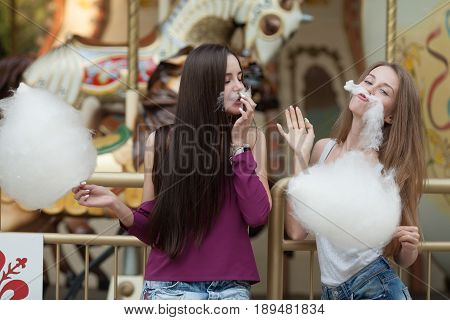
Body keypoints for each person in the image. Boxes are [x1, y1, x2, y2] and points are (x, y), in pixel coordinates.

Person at [72, 44, 271, 300]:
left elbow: (257, 216)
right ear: (203, 87)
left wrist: (238, 147)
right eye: (226, 80)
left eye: (240, 78)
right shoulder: (161, 141)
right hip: (168, 288)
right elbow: (153, 230)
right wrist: (115, 203)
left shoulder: (253, 140)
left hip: (230, 289)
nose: (239, 88)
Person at [277, 62, 424, 300]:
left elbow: (403, 256)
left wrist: (409, 247)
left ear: (391, 115)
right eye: (369, 82)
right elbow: (295, 231)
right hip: (332, 294)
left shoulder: (386, 170)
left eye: (383, 91)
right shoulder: (322, 150)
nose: (370, 90)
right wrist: (300, 155)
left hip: (378, 289)